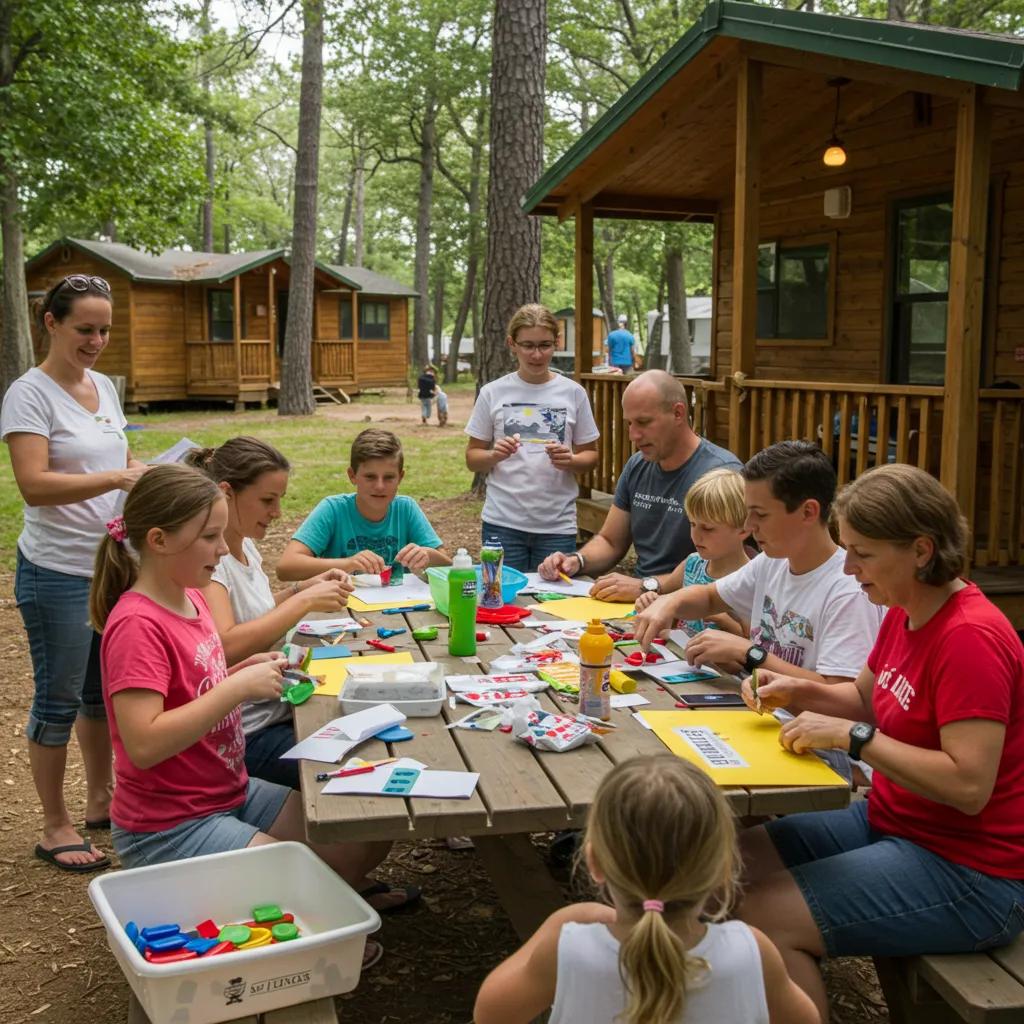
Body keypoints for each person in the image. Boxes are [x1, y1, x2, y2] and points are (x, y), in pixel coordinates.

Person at [734, 464, 1024, 1020]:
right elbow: (864, 700)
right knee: (729, 862)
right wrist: (795, 687)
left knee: (762, 913)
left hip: (972, 871)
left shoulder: (970, 638)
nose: (847, 567)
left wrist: (854, 738)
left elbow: (968, 786)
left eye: (862, 553)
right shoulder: (903, 609)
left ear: (920, 549)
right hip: (894, 821)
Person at [92, 464, 395, 966]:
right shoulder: (137, 624)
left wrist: (248, 665)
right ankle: (284, 938)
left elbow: (199, 677)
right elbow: (143, 742)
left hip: (225, 791)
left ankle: (300, 910)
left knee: (359, 833)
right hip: (170, 825)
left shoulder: (189, 597)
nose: (220, 548)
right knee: (305, 896)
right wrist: (235, 689)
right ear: (159, 540)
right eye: (209, 536)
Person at [189, 437, 420, 914]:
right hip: (250, 730)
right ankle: (334, 888)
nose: (276, 513)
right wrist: (300, 602)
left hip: (281, 704)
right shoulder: (210, 566)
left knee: (391, 749)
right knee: (377, 781)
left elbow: (256, 616)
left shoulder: (245, 549)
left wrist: (303, 587)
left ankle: (344, 876)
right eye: (268, 500)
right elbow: (227, 644)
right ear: (227, 494)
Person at [474, 755, 818, 1024]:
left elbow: (491, 1013)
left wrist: (559, 923)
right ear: (724, 869)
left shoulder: (568, 947)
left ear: (593, 861)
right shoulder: (753, 951)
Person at [0, 273, 149, 872]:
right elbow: (33, 486)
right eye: (84, 329)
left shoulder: (103, 388)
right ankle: (54, 824)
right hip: (56, 571)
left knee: (99, 696)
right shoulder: (28, 394)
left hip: (108, 567)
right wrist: (116, 479)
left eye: (105, 330)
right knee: (58, 699)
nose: (95, 340)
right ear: (51, 323)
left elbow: (121, 457)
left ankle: (99, 798)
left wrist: (146, 472)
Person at [634, 441, 883, 689]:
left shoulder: (849, 592)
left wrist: (750, 654)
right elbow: (709, 597)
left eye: (760, 514)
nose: (750, 525)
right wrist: (668, 603)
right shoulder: (772, 561)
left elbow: (840, 693)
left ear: (808, 512)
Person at [538, 370, 740, 602]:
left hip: (696, 612)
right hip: (640, 605)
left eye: (643, 422)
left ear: (678, 413)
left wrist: (649, 586)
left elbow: (727, 569)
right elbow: (610, 541)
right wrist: (576, 561)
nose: (634, 435)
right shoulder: (638, 465)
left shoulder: (720, 474)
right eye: (630, 423)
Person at [465, 303, 599, 571]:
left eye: (545, 345)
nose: (537, 355)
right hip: (502, 523)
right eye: (528, 345)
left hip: (557, 525)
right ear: (511, 344)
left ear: (557, 343)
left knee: (553, 602)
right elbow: (472, 458)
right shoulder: (493, 392)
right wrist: (494, 455)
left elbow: (591, 456)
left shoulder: (573, 393)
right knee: (501, 599)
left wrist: (571, 460)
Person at [277, 428, 451, 580]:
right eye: (370, 477)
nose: (380, 486)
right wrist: (349, 563)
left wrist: (427, 555)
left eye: (389, 477)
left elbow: (448, 566)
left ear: (401, 477)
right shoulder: (333, 509)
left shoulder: (405, 509)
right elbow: (286, 568)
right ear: (352, 475)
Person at [666, 467, 750, 636]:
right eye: (692, 524)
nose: (696, 535)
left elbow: (752, 641)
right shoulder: (692, 564)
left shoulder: (749, 579)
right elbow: (668, 602)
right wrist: (654, 602)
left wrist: (724, 620)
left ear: (743, 529)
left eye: (708, 528)